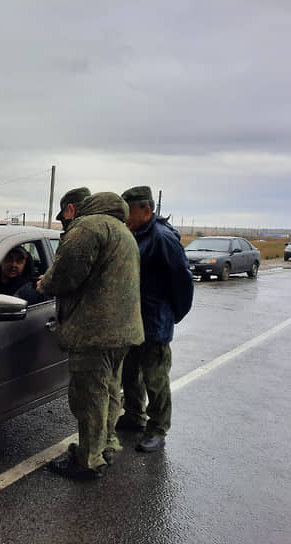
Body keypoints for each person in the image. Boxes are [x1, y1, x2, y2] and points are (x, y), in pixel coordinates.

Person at [38, 192, 144, 479]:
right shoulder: (121, 231)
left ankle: (87, 461)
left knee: (89, 398)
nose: (65, 222)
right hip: (122, 331)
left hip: (95, 331)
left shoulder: (88, 227)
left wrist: (44, 283)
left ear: (72, 209)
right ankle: (106, 444)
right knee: (109, 392)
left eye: (65, 216)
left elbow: (67, 275)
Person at [117, 186, 194, 452]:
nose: (124, 217)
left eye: (128, 211)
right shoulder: (136, 233)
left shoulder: (162, 238)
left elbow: (182, 281)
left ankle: (158, 428)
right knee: (130, 373)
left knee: (155, 378)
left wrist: (173, 316)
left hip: (155, 322)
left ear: (146, 210)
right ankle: (134, 416)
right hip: (133, 320)